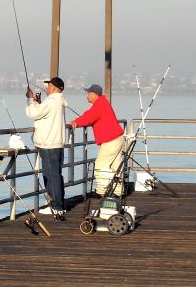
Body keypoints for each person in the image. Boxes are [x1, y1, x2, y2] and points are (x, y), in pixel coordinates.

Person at [69, 84, 124, 197]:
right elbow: (90, 114)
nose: (87, 96)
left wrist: (77, 121)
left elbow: (89, 117)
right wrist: (79, 119)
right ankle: (118, 192)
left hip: (110, 140)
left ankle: (102, 192)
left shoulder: (99, 105)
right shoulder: (102, 103)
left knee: (100, 166)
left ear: (94, 94)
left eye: (88, 93)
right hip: (117, 138)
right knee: (115, 167)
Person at [25, 77, 68, 220]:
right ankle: (58, 205)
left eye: (49, 86)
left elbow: (33, 114)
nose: (47, 88)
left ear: (55, 88)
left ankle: (56, 207)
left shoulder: (51, 101)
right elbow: (44, 114)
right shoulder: (58, 102)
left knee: (51, 175)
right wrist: (38, 103)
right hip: (56, 143)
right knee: (56, 174)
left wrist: (31, 100)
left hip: (49, 144)